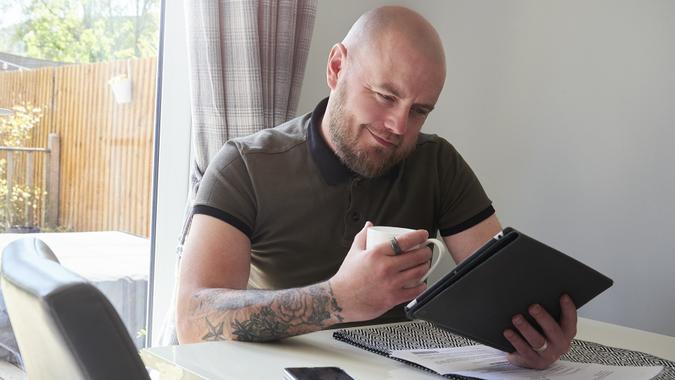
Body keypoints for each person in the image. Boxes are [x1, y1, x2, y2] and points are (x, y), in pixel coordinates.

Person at [176, 5, 576, 369]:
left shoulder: (437, 164)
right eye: (385, 96)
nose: (399, 127)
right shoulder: (244, 166)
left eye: (419, 111)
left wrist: (533, 339)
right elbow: (193, 320)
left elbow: (503, 292)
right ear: (336, 68)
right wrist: (336, 299)